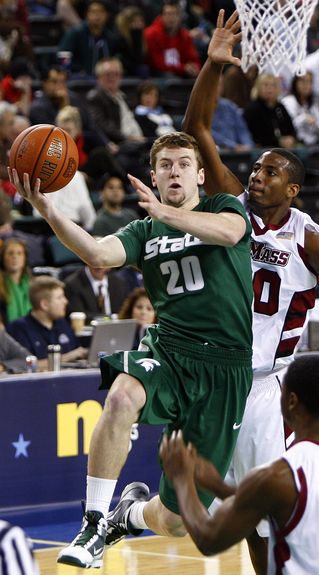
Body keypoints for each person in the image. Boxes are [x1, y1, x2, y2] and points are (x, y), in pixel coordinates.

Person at [178, 11, 319, 574]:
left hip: (266, 388)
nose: (256, 176)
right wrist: (214, 65)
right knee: (196, 507)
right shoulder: (231, 207)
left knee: (258, 514)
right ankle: (121, 516)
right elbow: (196, 130)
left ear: (291, 188)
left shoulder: (307, 238)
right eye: (257, 169)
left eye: (269, 172)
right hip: (215, 374)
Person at [8, 130, 253, 569]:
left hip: (224, 368)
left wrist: (170, 216)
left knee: (180, 521)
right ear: (154, 177)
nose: (173, 171)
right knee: (121, 396)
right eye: (164, 165)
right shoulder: (145, 229)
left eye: (182, 164)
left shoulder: (224, 207)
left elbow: (231, 234)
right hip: (170, 347)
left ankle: (131, 514)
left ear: (200, 175)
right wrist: (48, 210)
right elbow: (98, 253)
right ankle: (94, 520)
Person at [159, 355, 319, 575]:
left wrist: (182, 480)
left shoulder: (282, 475)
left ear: (291, 400)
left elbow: (208, 539)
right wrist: (218, 487)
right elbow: (300, 503)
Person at [6, 275, 88, 366]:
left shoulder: (63, 323)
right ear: (44, 305)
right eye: (59, 297)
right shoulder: (18, 329)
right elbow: (24, 365)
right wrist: (67, 357)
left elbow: (79, 354)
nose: (65, 301)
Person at [57, 0, 120, 77]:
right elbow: (63, 55)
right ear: (87, 14)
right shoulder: (75, 33)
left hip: (103, 79)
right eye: (93, 12)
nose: (97, 15)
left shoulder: (110, 37)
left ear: (106, 15)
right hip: (79, 79)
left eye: (101, 12)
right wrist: (76, 71)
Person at [143, 0, 201, 78]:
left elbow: (193, 58)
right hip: (159, 73)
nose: (171, 18)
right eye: (168, 14)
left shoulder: (185, 35)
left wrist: (195, 67)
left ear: (180, 17)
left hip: (181, 71)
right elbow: (158, 63)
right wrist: (183, 68)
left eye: (174, 14)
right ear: (161, 16)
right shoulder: (151, 34)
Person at [243, 73, 298, 149]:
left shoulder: (280, 107)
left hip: (283, 149)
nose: (270, 89)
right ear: (258, 88)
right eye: (266, 85)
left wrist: (291, 138)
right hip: (261, 150)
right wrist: (279, 141)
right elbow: (256, 136)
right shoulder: (252, 109)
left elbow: (291, 128)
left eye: (273, 86)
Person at [63, 263, 131, 322]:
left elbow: (126, 311)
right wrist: (110, 318)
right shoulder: (73, 284)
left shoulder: (118, 283)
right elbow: (78, 315)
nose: (100, 266)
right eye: (96, 262)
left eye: (104, 262)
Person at [0, 237, 31, 324]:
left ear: (25, 258)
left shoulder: (34, 284)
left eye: (19, 253)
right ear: (3, 258)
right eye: (10, 253)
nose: (15, 257)